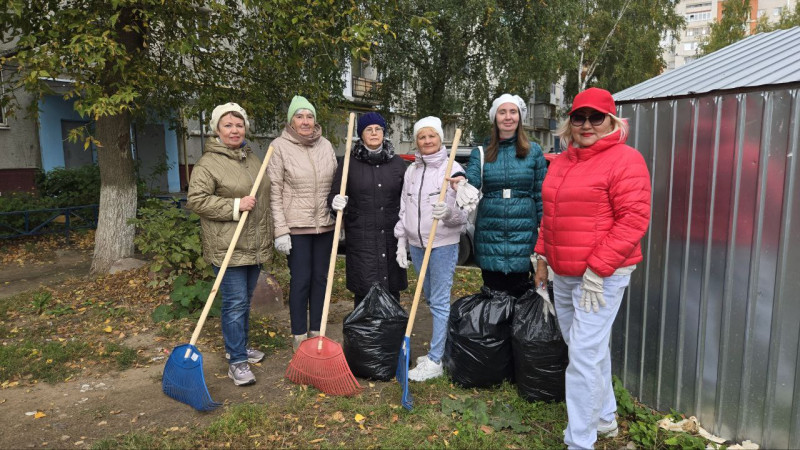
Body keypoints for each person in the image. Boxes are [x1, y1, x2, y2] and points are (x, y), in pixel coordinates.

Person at [532, 87, 651, 449]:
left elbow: (634, 219)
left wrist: (599, 268)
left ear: (612, 121)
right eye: (579, 117)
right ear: (570, 122)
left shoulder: (625, 160)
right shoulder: (564, 161)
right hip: (565, 270)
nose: (587, 125)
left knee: (583, 354)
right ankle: (604, 419)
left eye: (596, 117)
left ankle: (579, 441)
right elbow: (551, 216)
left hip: (602, 276)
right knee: (586, 348)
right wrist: (541, 257)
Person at [186, 102, 270, 386]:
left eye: (239, 124)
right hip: (228, 246)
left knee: (244, 303)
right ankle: (236, 361)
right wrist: (236, 205)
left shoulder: (253, 159)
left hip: (254, 245)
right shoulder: (208, 163)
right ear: (217, 130)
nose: (235, 130)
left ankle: (240, 346)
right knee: (234, 304)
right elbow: (196, 200)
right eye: (228, 125)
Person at [452, 94, 547, 297]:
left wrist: (545, 231)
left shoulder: (534, 151)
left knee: (521, 294)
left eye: (513, 112)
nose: (508, 117)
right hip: (490, 233)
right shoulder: (481, 152)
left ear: (520, 117)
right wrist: (461, 181)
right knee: (493, 296)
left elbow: (541, 194)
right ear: (495, 117)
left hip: (523, 233)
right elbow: (473, 180)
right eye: (502, 112)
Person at [395, 116, 468, 381]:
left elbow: (464, 216)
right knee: (427, 298)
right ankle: (441, 349)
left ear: (440, 138)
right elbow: (404, 207)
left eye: (432, 136)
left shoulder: (453, 169)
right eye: (422, 137)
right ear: (417, 141)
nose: (427, 141)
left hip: (442, 245)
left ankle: (436, 360)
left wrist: (448, 212)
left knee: (438, 301)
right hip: (416, 244)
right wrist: (401, 242)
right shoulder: (412, 170)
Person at [268, 95, 338, 351]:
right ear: (291, 121)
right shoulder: (279, 147)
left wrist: (338, 210)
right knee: (301, 280)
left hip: (325, 225)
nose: (305, 121)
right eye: (300, 116)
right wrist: (281, 231)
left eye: (309, 116)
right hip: (296, 227)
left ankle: (317, 333)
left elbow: (335, 183)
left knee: (321, 279)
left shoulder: (326, 145)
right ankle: (299, 336)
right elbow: (274, 191)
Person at [328, 112, 408, 306]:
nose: (374, 133)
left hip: (391, 237)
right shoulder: (349, 163)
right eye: (368, 129)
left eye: (378, 129)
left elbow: (407, 199)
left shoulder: (397, 164)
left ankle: (391, 333)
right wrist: (335, 203)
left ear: (384, 133)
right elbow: (334, 195)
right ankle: (364, 335)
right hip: (362, 241)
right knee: (364, 292)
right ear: (361, 135)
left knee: (391, 291)